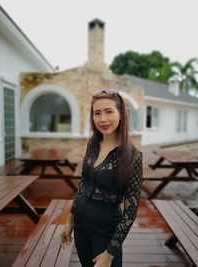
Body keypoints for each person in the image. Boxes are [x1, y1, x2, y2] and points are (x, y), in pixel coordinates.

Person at [61, 89, 143, 267]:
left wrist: (109, 253)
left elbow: (131, 211)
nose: (102, 119)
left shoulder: (133, 156)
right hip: (81, 224)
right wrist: (70, 221)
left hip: (106, 230)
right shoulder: (93, 144)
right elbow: (84, 184)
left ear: (121, 114)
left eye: (109, 111)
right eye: (97, 113)